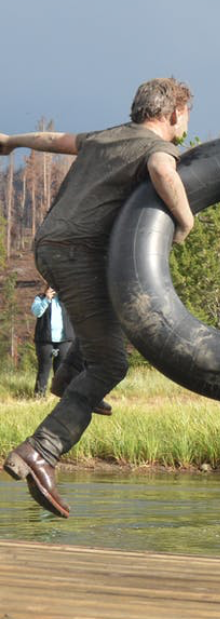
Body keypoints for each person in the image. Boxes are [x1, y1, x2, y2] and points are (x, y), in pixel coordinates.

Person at [1, 77, 195, 518]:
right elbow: (165, 173)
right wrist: (184, 222)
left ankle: (69, 379)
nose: (184, 124)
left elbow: (53, 139)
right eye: (186, 117)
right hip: (78, 254)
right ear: (171, 115)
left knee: (117, 314)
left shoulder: (105, 136)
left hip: (52, 246)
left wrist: (11, 140)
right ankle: (41, 451)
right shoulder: (157, 148)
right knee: (111, 363)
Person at [30, 284, 73, 398]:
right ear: (47, 288)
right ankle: (40, 395)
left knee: (62, 370)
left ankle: (62, 396)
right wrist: (47, 299)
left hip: (64, 340)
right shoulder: (40, 298)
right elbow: (36, 312)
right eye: (52, 287)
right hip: (45, 340)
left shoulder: (66, 299)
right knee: (44, 368)